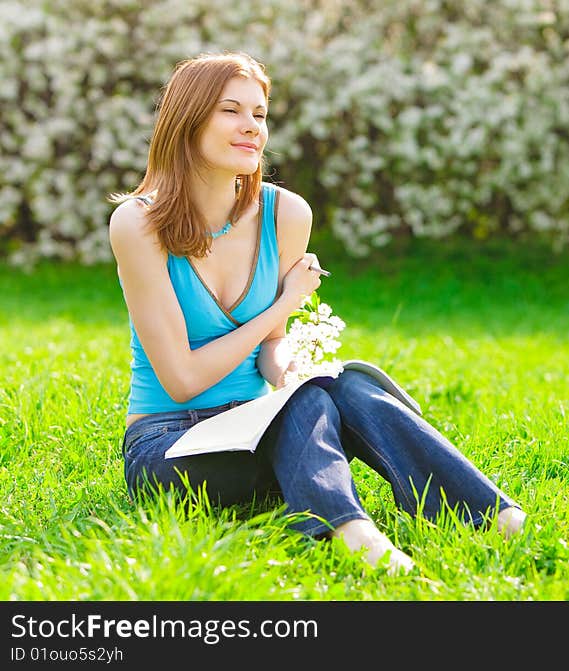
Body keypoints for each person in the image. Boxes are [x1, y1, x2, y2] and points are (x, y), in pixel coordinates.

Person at [108, 52, 525, 574]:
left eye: (259, 115)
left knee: (340, 385)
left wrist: (288, 369)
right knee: (303, 402)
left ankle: (493, 515)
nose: (250, 128)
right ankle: (350, 533)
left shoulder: (285, 214)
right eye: (230, 111)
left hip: (259, 431)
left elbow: (271, 347)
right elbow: (184, 378)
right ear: (187, 119)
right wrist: (285, 303)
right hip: (169, 448)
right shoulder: (137, 224)